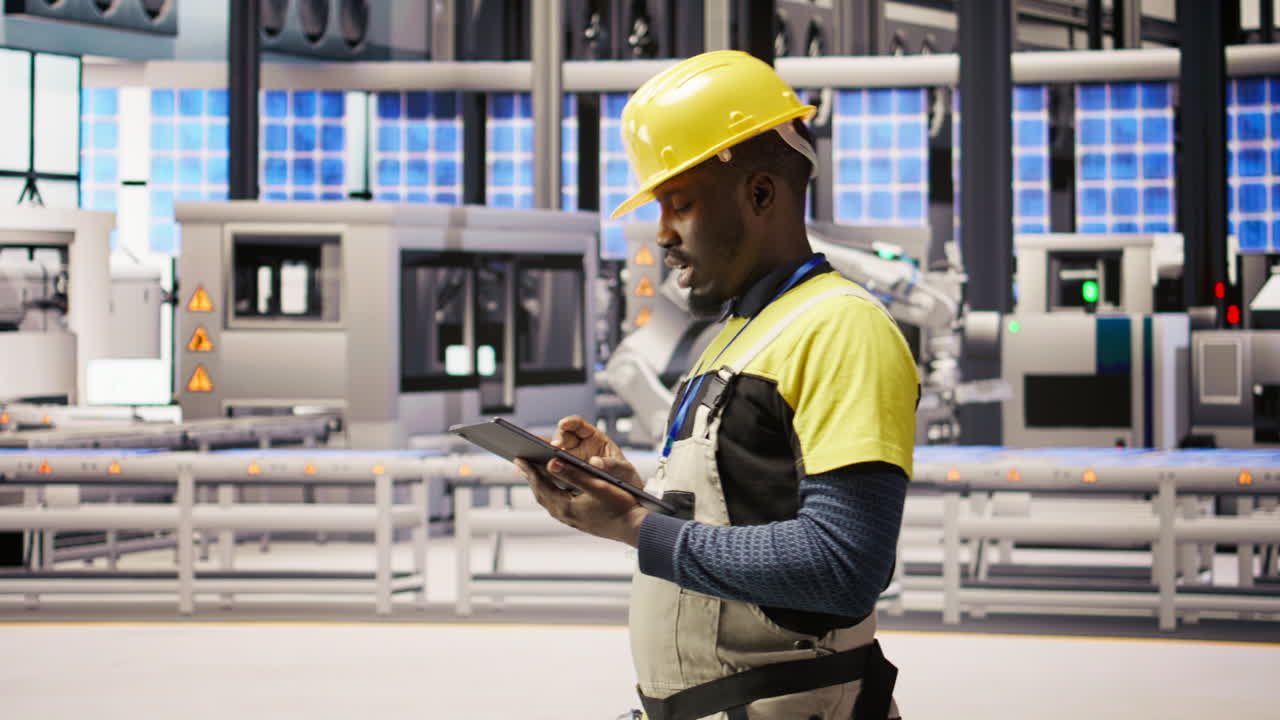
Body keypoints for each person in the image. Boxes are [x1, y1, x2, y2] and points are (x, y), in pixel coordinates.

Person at [515, 50, 918, 720]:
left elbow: (843, 566)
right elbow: (744, 515)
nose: (663, 233)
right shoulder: (739, 332)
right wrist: (633, 493)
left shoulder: (842, 328)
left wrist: (636, 527)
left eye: (681, 203)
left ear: (760, 194)